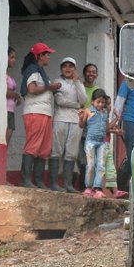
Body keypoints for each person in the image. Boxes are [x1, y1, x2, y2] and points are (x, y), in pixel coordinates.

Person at [19, 42, 62, 189]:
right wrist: (50, 86)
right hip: (35, 112)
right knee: (33, 146)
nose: (49, 57)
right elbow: (31, 89)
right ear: (39, 56)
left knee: (44, 149)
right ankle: (25, 179)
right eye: (47, 54)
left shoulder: (40, 71)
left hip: (45, 113)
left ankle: (37, 180)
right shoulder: (32, 70)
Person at [50, 57, 86, 193]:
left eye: (71, 66)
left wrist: (77, 82)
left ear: (75, 69)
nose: (68, 69)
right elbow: (60, 101)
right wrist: (77, 105)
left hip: (75, 120)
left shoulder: (79, 83)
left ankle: (68, 185)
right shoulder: (57, 82)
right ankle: (53, 183)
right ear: (61, 68)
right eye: (65, 66)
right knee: (56, 151)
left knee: (71, 153)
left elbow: (83, 99)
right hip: (60, 118)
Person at [79, 88, 109, 198]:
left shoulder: (105, 113)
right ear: (92, 101)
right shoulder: (88, 111)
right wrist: (80, 117)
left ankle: (98, 188)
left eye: (103, 102)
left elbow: (106, 127)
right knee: (91, 164)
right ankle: (88, 187)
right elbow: (82, 125)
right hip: (90, 141)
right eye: (98, 102)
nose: (100, 104)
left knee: (101, 165)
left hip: (102, 142)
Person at [112, 78, 134, 187]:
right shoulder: (128, 82)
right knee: (132, 153)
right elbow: (119, 101)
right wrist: (115, 122)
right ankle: (122, 184)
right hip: (131, 121)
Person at [76, 63, 99, 191]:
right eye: (88, 72)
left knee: (89, 156)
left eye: (93, 72)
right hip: (78, 124)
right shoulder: (79, 88)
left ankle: (86, 186)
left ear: (97, 74)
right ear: (84, 74)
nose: (91, 74)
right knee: (78, 155)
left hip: (91, 126)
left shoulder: (98, 90)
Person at [2, 46, 21, 185]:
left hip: (11, 111)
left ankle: (3, 176)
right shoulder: (2, 75)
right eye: (12, 57)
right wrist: (15, 94)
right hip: (5, 112)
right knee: (3, 144)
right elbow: (5, 91)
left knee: (6, 145)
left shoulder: (8, 75)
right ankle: (1, 176)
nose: (14, 60)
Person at [103, 96, 128, 199]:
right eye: (107, 104)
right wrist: (117, 119)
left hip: (106, 145)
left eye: (109, 104)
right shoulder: (101, 115)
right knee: (101, 168)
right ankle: (96, 189)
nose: (109, 107)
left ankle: (115, 191)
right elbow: (106, 129)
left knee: (111, 169)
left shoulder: (105, 116)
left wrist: (116, 131)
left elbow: (109, 128)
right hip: (101, 145)